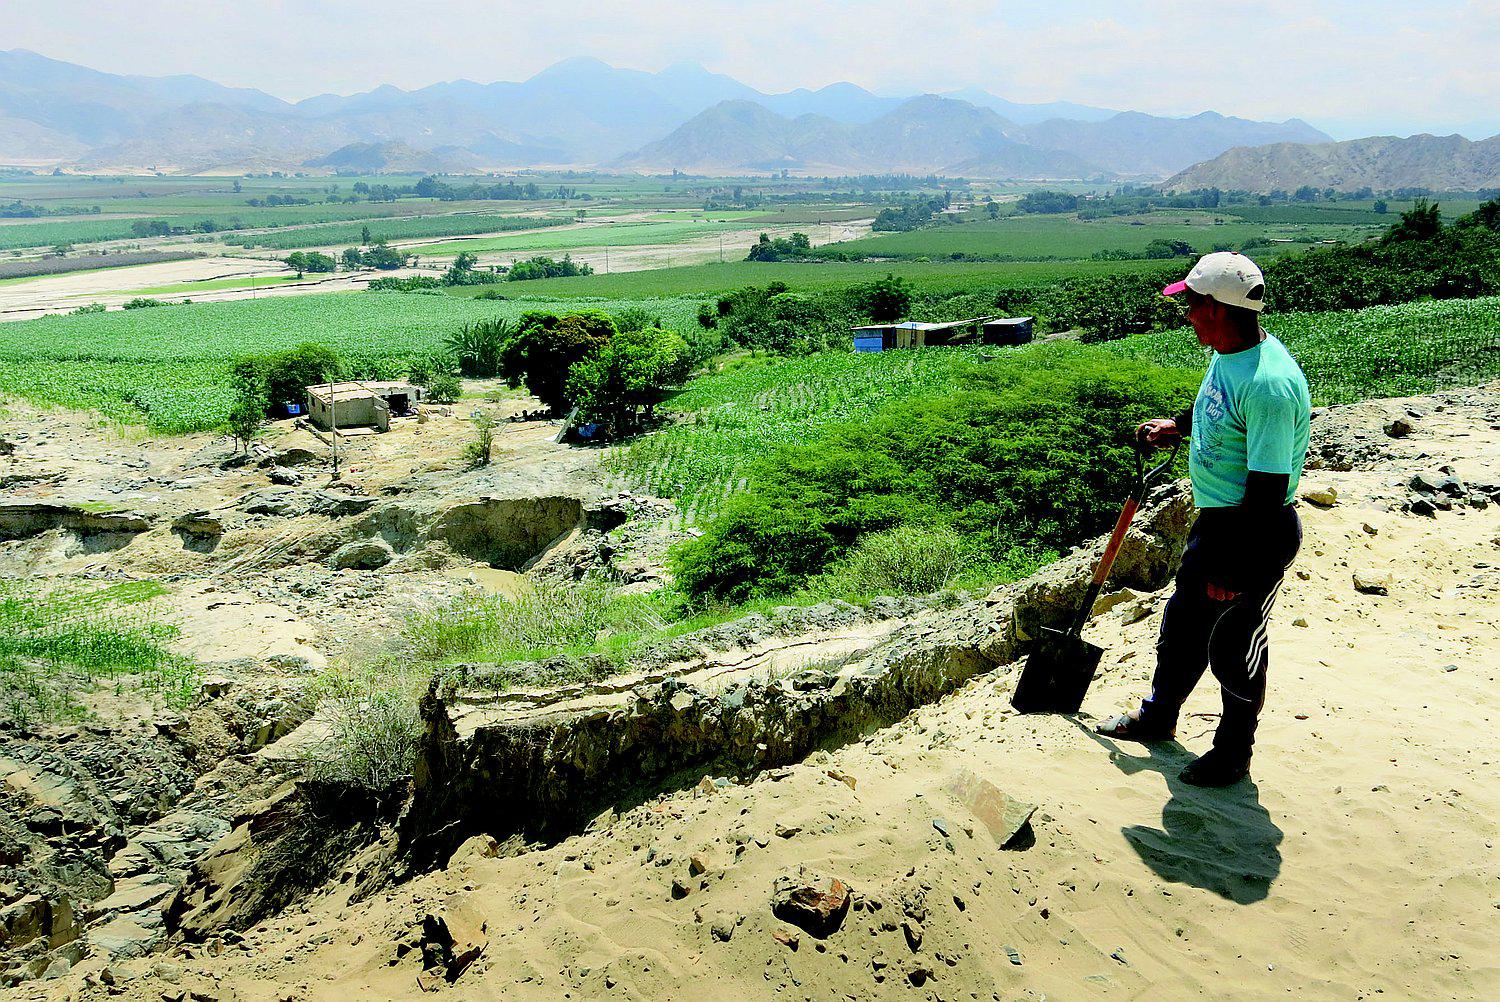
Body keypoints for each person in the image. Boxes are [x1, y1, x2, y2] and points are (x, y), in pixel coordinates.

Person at [1097, 252, 1310, 787]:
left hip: (1252, 534)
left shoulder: (1269, 384)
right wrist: (1179, 426)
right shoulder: (1229, 352)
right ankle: (1158, 717)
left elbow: (1267, 488)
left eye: (1190, 305)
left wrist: (1230, 568)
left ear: (1215, 307)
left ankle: (1233, 753)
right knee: (1183, 629)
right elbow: (1217, 406)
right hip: (1218, 525)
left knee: (1235, 647)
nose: (1186, 314)